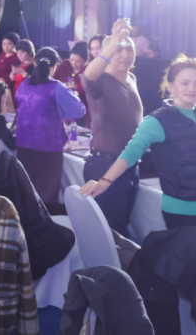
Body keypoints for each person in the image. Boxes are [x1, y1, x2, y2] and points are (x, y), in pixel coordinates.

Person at [81, 56, 196, 231]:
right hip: (181, 208)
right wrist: (104, 181)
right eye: (184, 83)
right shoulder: (158, 120)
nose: (191, 88)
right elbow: (131, 153)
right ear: (171, 86)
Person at [79, 19, 143, 237]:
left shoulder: (132, 78)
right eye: (118, 49)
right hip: (104, 165)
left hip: (129, 166)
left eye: (129, 49)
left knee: (120, 227)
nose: (124, 54)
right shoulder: (100, 80)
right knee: (108, 233)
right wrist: (114, 41)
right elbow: (87, 77)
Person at [15, 47, 85, 211]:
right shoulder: (56, 87)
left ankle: (25, 222)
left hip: (23, 143)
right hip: (48, 145)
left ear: (35, 64)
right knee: (46, 193)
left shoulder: (23, 84)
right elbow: (79, 110)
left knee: (26, 188)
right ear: (54, 66)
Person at [54, 41, 91, 127]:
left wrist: (73, 88)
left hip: (81, 109)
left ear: (85, 61)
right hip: (62, 108)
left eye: (78, 61)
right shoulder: (64, 64)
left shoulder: (88, 69)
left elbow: (83, 89)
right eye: (72, 60)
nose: (74, 64)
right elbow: (54, 81)